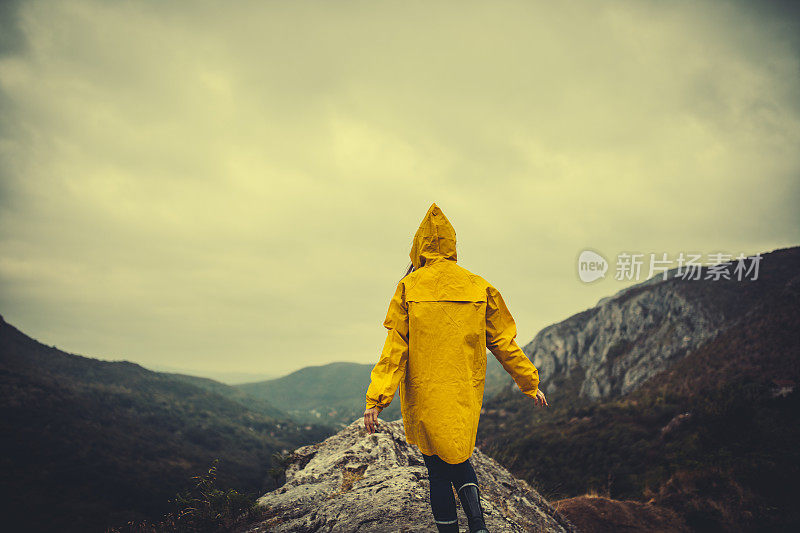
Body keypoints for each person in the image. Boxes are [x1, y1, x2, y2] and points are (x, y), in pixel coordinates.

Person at [364, 202, 548, 533]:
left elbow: (396, 349)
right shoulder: (479, 287)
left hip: (426, 391)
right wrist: (529, 382)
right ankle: (478, 526)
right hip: (464, 389)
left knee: (436, 468)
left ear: (420, 245)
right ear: (452, 245)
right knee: (460, 459)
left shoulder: (409, 286)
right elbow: (504, 342)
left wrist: (377, 399)